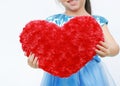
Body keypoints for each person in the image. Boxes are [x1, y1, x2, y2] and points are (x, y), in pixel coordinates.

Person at [27, 0, 119, 86]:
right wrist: (35, 61)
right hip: (61, 75)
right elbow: (42, 49)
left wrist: (109, 50)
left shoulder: (96, 21)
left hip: (90, 73)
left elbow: (115, 47)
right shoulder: (52, 22)